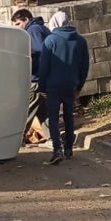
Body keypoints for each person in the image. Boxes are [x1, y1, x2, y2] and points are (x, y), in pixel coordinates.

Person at [37, 11, 90, 165]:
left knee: (53, 118)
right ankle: (68, 149)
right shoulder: (81, 41)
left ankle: (57, 149)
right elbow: (84, 66)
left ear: (54, 22)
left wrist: (42, 87)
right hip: (71, 85)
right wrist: (79, 86)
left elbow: (44, 66)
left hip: (53, 86)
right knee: (69, 115)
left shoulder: (50, 40)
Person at [11, 9, 53, 144]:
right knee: (43, 110)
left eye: (18, 24)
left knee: (26, 110)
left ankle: (14, 139)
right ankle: (52, 137)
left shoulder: (33, 30)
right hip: (46, 78)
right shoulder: (41, 28)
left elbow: (38, 49)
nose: (17, 27)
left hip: (36, 79)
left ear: (26, 20)